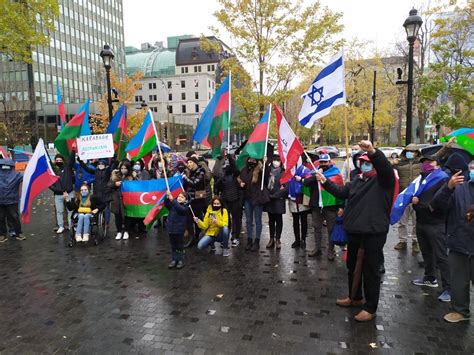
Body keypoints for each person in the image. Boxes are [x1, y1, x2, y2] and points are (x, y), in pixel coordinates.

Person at [317, 140, 396, 322]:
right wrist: (325, 182)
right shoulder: (357, 180)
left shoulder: (384, 181)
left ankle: (370, 307)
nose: (365, 164)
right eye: (362, 162)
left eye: (368, 161)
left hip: (373, 232)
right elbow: (341, 192)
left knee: (370, 270)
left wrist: (374, 152)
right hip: (354, 231)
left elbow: (385, 168)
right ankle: (355, 297)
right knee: (352, 267)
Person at [432, 163, 474, 323]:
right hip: (459, 243)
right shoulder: (459, 188)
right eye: (472, 166)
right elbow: (436, 207)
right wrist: (447, 188)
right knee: (458, 281)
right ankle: (459, 310)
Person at [410, 155, 451, 302]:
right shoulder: (421, 179)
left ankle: (448, 288)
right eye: (424, 162)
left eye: (429, 162)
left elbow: (441, 202)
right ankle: (429, 277)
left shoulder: (442, 179)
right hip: (422, 221)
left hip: (436, 223)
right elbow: (416, 197)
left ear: (438, 165)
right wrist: (414, 202)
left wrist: (422, 205)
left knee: (441, 256)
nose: (426, 165)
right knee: (427, 253)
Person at [300, 154, 344, 260]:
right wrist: (316, 176)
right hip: (316, 206)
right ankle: (317, 249)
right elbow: (305, 183)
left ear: (329, 162)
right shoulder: (314, 173)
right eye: (321, 162)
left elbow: (341, 191)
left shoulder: (336, 174)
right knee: (317, 228)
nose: (323, 164)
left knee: (331, 229)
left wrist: (341, 207)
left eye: (325, 162)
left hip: (331, 206)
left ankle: (331, 250)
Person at [238, 157, 267, 251]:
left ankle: (257, 241)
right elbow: (239, 178)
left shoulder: (260, 170)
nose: (251, 161)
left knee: (258, 220)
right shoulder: (244, 169)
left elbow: (265, 177)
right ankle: (249, 240)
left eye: (254, 160)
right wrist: (240, 183)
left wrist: (264, 164)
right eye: (250, 159)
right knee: (248, 220)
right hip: (247, 198)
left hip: (257, 199)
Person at [214, 154, 243, 247]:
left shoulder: (234, 173)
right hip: (225, 199)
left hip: (235, 199)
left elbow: (235, 169)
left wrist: (230, 158)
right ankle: (225, 238)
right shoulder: (221, 174)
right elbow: (216, 186)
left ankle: (235, 237)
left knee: (236, 219)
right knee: (226, 220)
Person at [182, 156, 208, 246]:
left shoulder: (200, 172)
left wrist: (185, 178)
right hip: (190, 199)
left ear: (195, 163)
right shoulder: (189, 172)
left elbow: (195, 183)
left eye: (191, 162)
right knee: (189, 219)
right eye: (188, 163)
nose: (189, 164)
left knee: (197, 218)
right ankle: (192, 237)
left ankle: (197, 236)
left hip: (198, 200)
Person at [264, 155, 287, 249]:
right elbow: (264, 181)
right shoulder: (269, 171)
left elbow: (285, 188)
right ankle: (271, 239)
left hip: (278, 199)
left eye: (278, 160)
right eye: (274, 160)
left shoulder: (283, 172)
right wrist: (265, 163)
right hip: (269, 199)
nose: (276, 162)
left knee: (279, 219)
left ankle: (278, 239)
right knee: (271, 220)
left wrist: (275, 195)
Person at [287, 156, 311, 249]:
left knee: (304, 220)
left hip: (302, 198)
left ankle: (303, 239)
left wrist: (301, 180)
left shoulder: (306, 170)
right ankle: (297, 240)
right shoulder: (289, 170)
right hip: (292, 199)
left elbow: (309, 182)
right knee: (295, 220)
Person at [49, 151, 75, 234]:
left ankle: (71, 225)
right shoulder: (52, 170)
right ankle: (61, 226)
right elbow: (49, 182)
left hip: (69, 193)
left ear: (63, 160)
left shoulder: (67, 167)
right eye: (57, 160)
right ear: (55, 161)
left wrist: (73, 150)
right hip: (58, 194)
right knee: (59, 211)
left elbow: (71, 160)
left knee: (70, 210)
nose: (59, 161)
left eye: (60, 160)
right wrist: (55, 189)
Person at [0, 158, 25, 242]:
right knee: (2, 217)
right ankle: (3, 234)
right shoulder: (17, 174)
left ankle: (18, 233)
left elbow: (27, 178)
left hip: (12, 200)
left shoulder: (17, 175)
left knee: (14, 217)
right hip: (4, 201)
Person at [109, 160, 135, 240]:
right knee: (118, 216)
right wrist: (115, 184)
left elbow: (136, 186)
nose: (123, 170)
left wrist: (134, 178)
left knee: (127, 216)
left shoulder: (131, 177)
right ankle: (119, 231)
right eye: (122, 168)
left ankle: (126, 231)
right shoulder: (116, 175)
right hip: (117, 199)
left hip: (127, 200)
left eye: (125, 168)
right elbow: (109, 184)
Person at [164, 191, 189, 269]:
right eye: (178, 196)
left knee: (179, 245)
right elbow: (167, 205)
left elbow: (180, 209)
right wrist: (167, 198)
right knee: (173, 245)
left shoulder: (185, 207)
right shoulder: (173, 205)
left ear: (186, 200)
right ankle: (174, 259)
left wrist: (173, 200)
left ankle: (180, 260)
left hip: (179, 230)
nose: (179, 198)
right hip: (171, 229)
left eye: (182, 197)